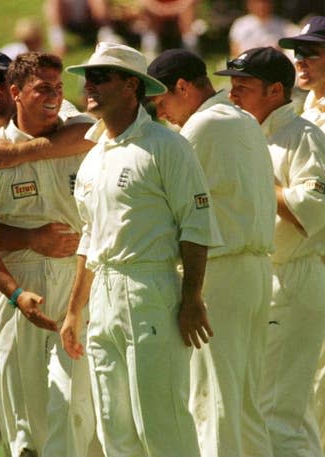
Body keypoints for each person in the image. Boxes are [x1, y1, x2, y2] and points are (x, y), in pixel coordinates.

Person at [60, 42, 222, 457]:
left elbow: (196, 224)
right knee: (115, 429)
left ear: (132, 85)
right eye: (87, 78)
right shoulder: (94, 155)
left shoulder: (166, 145)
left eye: (102, 77)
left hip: (151, 288)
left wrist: (192, 298)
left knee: (161, 424)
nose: (89, 86)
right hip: (103, 296)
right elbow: (90, 237)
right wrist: (75, 309)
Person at [0, 50, 100, 457]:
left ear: (12, 88)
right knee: (24, 420)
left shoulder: (66, 120)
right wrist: (29, 251)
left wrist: (16, 153)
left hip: (79, 276)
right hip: (19, 283)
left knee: (78, 407)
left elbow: (90, 129)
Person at [147, 49, 277, 457]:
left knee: (212, 401)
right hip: (255, 272)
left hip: (220, 274)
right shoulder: (245, 120)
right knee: (245, 405)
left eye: (162, 102)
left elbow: (166, 202)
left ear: (183, 87)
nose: (162, 114)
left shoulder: (201, 127)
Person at [215, 45, 325, 457]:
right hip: (260, 279)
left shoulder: (303, 135)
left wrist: (254, 180)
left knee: (280, 412)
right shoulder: (246, 134)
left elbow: (313, 208)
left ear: (275, 90)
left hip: (295, 278)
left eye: (243, 87)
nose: (232, 95)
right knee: (262, 409)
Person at [279, 16, 325, 455]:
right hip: (307, 264)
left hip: (315, 262)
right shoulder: (303, 114)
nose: (301, 60)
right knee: (305, 395)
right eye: (298, 52)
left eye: (312, 51)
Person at [228, 0, 299, 56]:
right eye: (257, 2)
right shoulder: (240, 24)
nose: (261, 6)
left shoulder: (284, 26)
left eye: (265, 2)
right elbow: (235, 51)